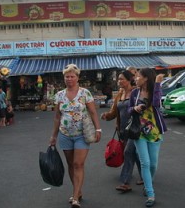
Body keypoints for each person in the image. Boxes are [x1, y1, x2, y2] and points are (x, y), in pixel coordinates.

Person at [49, 64, 101, 208]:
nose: (69, 79)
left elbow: (93, 112)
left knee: (78, 164)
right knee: (71, 165)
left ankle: (75, 197)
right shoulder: (59, 95)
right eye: (67, 76)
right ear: (64, 78)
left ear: (77, 78)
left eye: (72, 76)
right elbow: (57, 117)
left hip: (81, 134)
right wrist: (53, 136)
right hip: (65, 134)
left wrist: (98, 129)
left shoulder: (85, 93)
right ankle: (77, 191)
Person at [129, 68, 166, 207]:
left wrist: (157, 84)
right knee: (145, 163)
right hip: (139, 131)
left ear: (145, 78)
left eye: (138, 76)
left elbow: (156, 103)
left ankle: (148, 183)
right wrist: (134, 108)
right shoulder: (134, 93)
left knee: (153, 164)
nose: (135, 79)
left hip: (154, 131)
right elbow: (128, 109)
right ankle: (150, 193)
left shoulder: (155, 90)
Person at [101, 70, 142, 193]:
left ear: (130, 80)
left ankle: (125, 182)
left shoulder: (136, 92)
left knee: (128, 152)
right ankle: (146, 177)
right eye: (118, 79)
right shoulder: (119, 95)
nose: (119, 81)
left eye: (122, 79)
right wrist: (106, 116)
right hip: (122, 130)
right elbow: (114, 112)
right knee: (136, 155)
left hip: (134, 129)